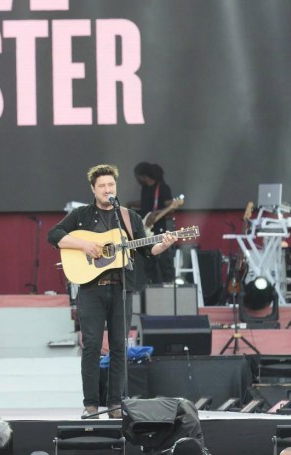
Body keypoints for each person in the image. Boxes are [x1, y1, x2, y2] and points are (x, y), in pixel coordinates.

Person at [48, 164, 176, 418]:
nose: (108, 190)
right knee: (92, 345)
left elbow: (146, 251)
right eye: (102, 186)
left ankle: (115, 403)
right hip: (91, 290)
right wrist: (84, 245)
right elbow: (54, 235)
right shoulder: (82, 215)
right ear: (93, 190)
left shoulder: (128, 217)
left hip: (121, 289)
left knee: (119, 346)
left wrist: (163, 245)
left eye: (111, 185)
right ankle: (91, 403)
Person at [132, 163, 178, 284]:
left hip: (160, 228)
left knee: (164, 260)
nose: (137, 180)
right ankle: (153, 286)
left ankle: (168, 285)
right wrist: (130, 204)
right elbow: (146, 203)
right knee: (148, 261)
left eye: (138, 177)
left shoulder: (163, 188)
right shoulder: (145, 188)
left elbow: (171, 208)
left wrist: (155, 213)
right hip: (146, 229)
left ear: (144, 176)